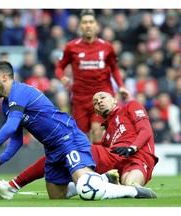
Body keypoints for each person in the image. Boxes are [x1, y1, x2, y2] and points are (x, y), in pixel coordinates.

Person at [0, 61, 157, 200]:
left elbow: (11, 126)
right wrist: (2, 158)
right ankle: (101, 180)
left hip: (67, 137)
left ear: (4, 77)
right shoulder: (7, 105)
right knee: (56, 196)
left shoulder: (20, 92)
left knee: (87, 189)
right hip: (53, 147)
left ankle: (130, 191)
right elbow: (16, 138)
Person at [0, 90, 159, 199]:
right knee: (57, 192)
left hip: (138, 156)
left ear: (114, 99)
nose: (99, 102)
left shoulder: (131, 106)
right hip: (114, 158)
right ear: (95, 111)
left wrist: (132, 147)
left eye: (103, 98)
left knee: (132, 184)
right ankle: (104, 181)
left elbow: (146, 130)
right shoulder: (106, 132)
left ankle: (13, 185)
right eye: (96, 102)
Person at [55, 9, 130, 145]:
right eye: (85, 22)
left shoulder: (106, 47)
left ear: (96, 26)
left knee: (97, 130)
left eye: (91, 22)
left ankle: (99, 164)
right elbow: (59, 67)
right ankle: (89, 162)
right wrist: (61, 77)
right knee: (82, 137)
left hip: (101, 95)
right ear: (80, 26)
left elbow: (114, 68)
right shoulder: (71, 47)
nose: (88, 25)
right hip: (80, 99)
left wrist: (121, 87)